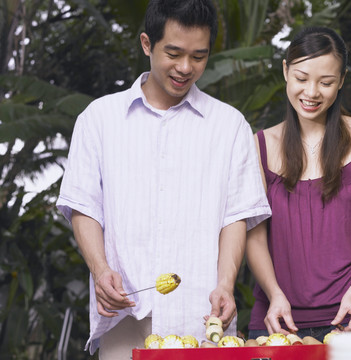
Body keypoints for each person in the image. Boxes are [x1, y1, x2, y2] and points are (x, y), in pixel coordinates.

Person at [56, 0, 271, 358]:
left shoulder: (230, 126)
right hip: (126, 316)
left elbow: (235, 216)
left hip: (202, 318)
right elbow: (83, 206)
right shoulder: (99, 119)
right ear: (146, 44)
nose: (185, 67)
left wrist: (224, 283)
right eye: (173, 53)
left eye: (198, 56)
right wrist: (100, 268)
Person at [246, 26, 351, 343]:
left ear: (340, 81)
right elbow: (254, 239)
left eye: (325, 82)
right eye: (301, 78)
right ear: (285, 71)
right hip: (277, 322)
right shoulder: (259, 145)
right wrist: (274, 294)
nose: (312, 92)